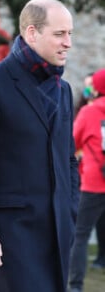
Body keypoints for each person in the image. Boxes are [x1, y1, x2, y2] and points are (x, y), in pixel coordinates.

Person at [0, 0, 79, 292]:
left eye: (70, 34)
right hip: (9, 236)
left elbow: (68, 159)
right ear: (32, 33)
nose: (68, 43)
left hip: (59, 232)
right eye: (60, 34)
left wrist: (70, 208)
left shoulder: (64, 91)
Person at [68, 68, 105, 292]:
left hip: (93, 181)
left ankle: (75, 286)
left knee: (80, 234)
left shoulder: (90, 112)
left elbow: (72, 141)